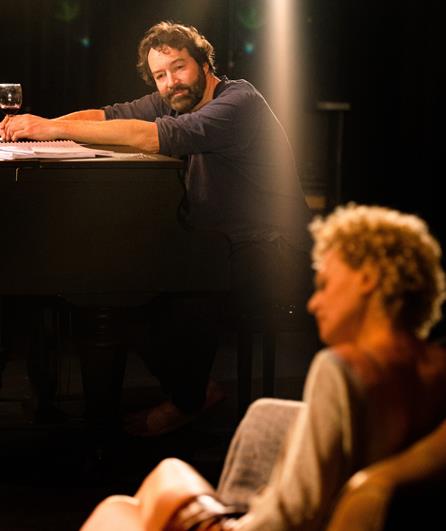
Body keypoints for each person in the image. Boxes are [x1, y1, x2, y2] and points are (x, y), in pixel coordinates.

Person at [0, 22, 315, 436]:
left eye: (179, 67)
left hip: (274, 249)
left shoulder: (239, 101)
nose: (170, 82)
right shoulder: (176, 99)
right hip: (221, 243)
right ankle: (194, 390)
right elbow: (109, 115)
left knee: (178, 287)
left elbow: (155, 136)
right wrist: (38, 126)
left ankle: (189, 399)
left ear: (204, 63)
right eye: (160, 75)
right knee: (122, 288)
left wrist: (51, 129)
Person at [79, 203, 446, 530]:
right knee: (196, 456)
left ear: (366, 280)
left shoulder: (342, 368)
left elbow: (295, 512)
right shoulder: (437, 365)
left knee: (120, 506)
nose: (314, 303)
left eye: (324, 285)